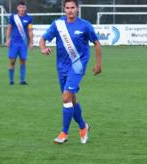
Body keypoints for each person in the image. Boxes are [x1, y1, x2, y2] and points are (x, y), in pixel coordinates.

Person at [39, 0, 102, 144]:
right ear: (64, 9)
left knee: (66, 97)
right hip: (62, 67)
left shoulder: (85, 25)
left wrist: (99, 64)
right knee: (71, 100)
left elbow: (97, 44)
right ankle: (83, 127)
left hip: (77, 66)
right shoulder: (58, 24)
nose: (70, 10)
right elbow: (43, 39)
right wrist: (43, 48)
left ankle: (64, 133)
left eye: (72, 7)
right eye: (67, 8)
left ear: (77, 9)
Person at [6, 1, 33, 85]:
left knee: (23, 61)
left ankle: (22, 80)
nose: (22, 9)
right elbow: (9, 28)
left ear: (25, 8)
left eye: (23, 7)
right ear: (18, 8)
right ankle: (11, 80)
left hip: (23, 44)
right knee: (12, 61)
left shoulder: (29, 18)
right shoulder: (13, 17)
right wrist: (7, 39)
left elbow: (30, 30)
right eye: (20, 7)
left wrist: (31, 42)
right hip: (14, 43)